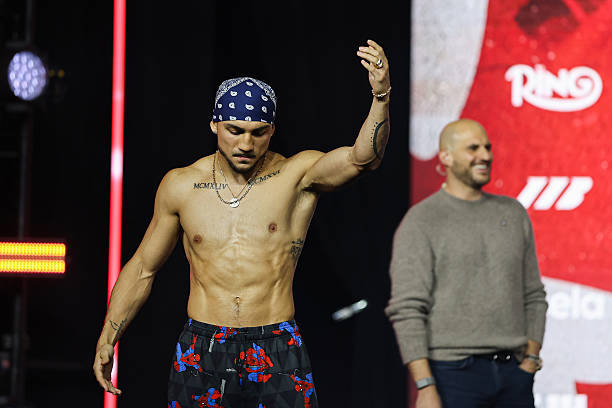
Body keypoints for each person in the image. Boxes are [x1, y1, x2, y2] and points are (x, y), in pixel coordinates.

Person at [93, 40, 391, 407]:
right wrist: (108, 336)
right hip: (203, 346)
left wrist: (381, 96)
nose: (246, 144)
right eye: (235, 130)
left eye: (258, 132)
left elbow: (363, 160)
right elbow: (143, 268)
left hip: (276, 344)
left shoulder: (296, 175)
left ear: (272, 130)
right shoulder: (182, 185)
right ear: (214, 125)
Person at [385, 119, 548, 408]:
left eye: (487, 147)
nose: (485, 155)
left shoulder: (513, 213)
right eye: (473, 148)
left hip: (514, 374)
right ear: (446, 157)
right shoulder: (422, 220)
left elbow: (534, 295)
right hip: (451, 375)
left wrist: (530, 361)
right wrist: (424, 385)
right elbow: (407, 308)